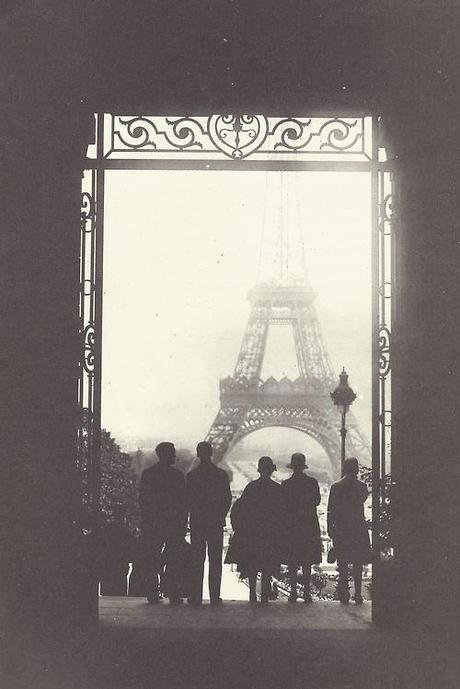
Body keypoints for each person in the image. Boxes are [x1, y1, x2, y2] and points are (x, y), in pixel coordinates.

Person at [226, 456, 281, 604]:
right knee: (267, 565)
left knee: (253, 564)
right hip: (269, 532)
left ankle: (252, 593)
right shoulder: (276, 488)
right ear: (271, 471)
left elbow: (241, 508)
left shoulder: (251, 487)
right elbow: (282, 512)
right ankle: (264, 594)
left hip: (253, 532)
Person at [139, 441, 187, 605]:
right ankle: (172, 592)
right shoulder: (177, 476)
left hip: (153, 523)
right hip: (172, 523)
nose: (175, 456)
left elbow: (143, 501)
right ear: (166, 454)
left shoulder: (148, 474)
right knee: (173, 560)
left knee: (152, 558)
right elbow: (182, 503)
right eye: (173, 453)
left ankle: (153, 593)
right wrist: (182, 523)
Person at [186, 441, 232, 606]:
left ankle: (196, 596)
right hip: (215, 522)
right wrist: (220, 516)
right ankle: (214, 596)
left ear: (198, 454)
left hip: (198, 522)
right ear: (211, 453)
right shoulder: (221, 475)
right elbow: (227, 499)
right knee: (215, 561)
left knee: (197, 560)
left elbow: (187, 501)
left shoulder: (191, 477)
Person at [327, 456, 371, 604]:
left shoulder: (335, 487)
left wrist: (330, 528)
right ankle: (358, 594)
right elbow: (362, 499)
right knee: (358, 562)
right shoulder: (362, 487)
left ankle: (344, 592)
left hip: (341, 528)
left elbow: (331, 510)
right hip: (358, 527)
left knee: (343, 562)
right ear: (357, 469)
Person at [280, 452, 322, 603]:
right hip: (308, 525)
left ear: (292, 467)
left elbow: (283, 507)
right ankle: (306, 593)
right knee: (307, 561)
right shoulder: (312, 483)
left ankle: (292, 592)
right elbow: (316, 501)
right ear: (303, 466)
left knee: (292, 561)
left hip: (292, 526)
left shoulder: (285, 485)